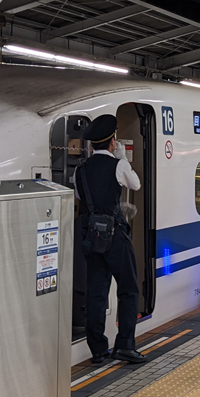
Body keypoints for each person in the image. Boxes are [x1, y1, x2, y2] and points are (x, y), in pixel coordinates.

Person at [75, 114, 147, 365]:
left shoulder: (80, 170)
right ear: (112, 141)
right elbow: (135, 185)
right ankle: (124, 346)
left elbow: (82, 199)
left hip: (91, 236)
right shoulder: (118, 165)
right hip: (115, 235)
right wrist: (124, 160)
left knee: (96, 292)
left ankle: (97, 350)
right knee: (128, 290)